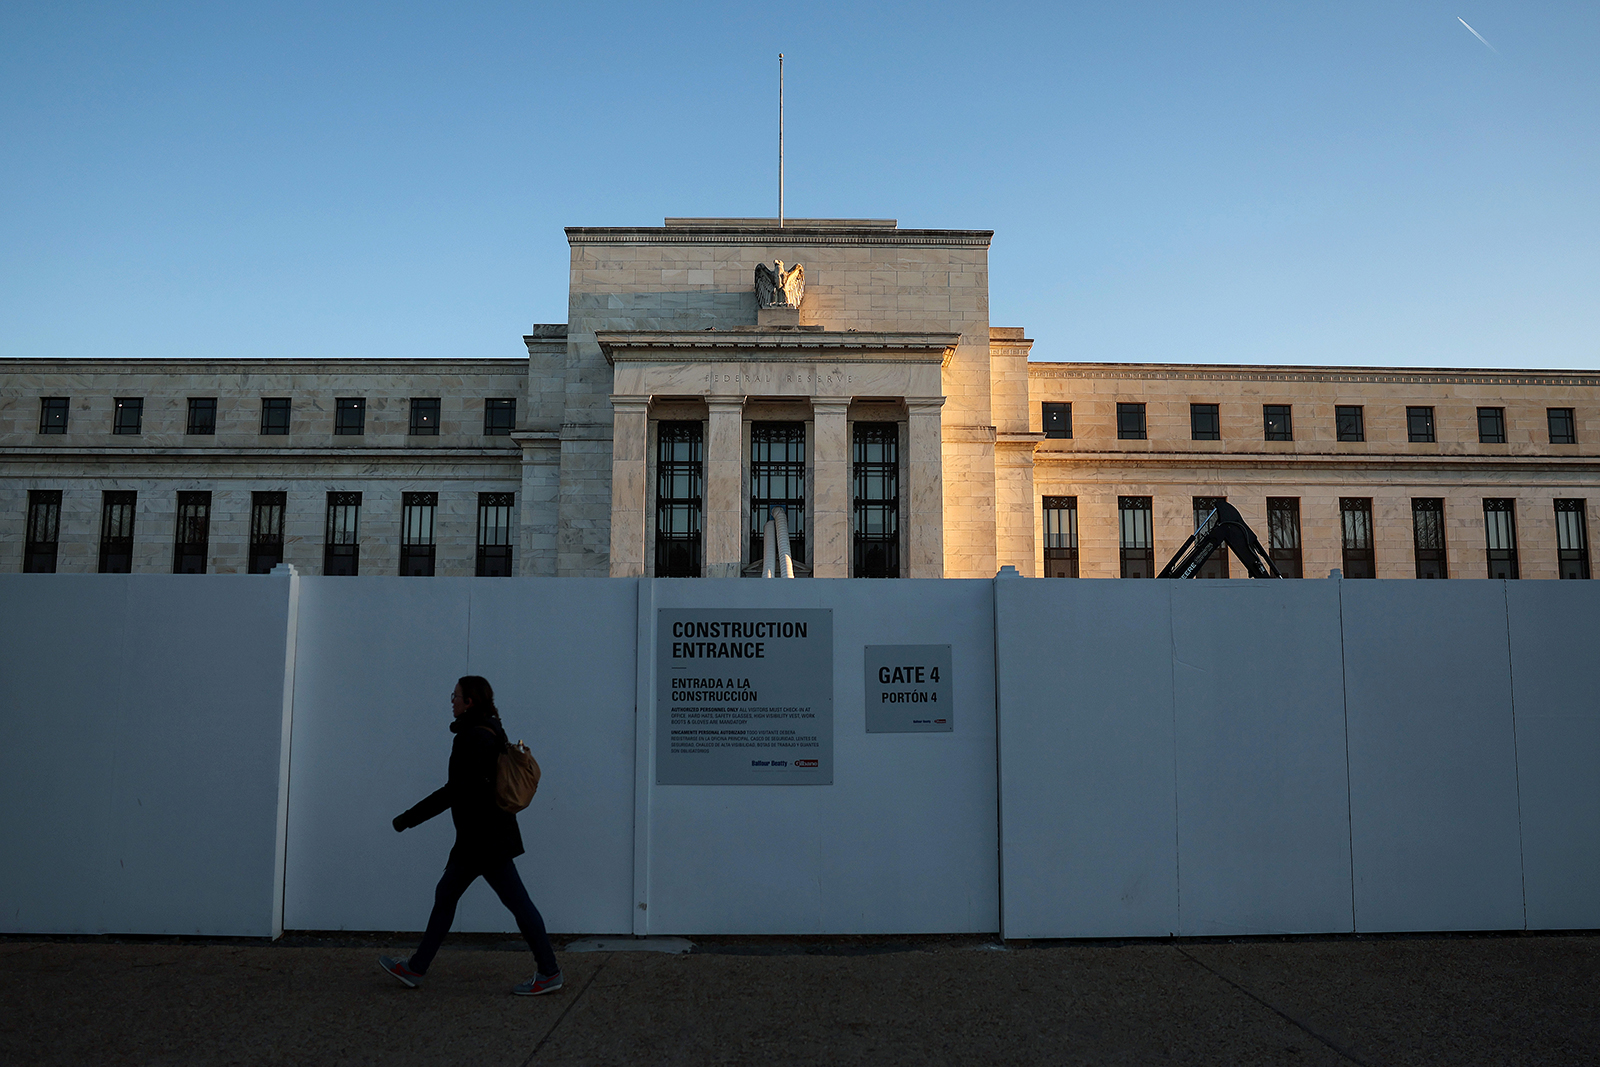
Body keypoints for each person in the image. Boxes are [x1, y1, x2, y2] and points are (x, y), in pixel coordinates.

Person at [378, 675, 562, 995]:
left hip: (483, 839)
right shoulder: (489, 729)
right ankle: (415, 968)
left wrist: (408, 818)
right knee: (449, 895)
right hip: (485, 836)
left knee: (515, 903)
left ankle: (549, 972)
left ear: (470, 701)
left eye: (456, 696)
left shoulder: (473, 737)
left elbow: (456, 791)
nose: (451, 701)